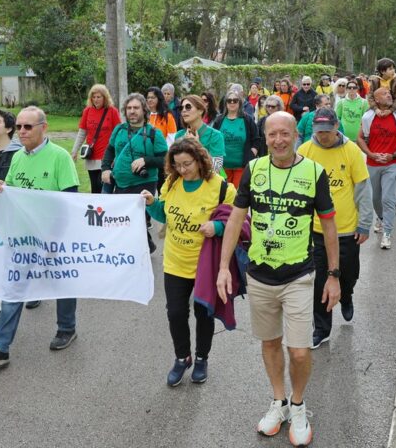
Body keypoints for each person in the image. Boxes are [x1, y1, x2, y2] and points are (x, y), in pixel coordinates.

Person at [216, 111, 339, 448]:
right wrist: (224, 267)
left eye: (285, 134)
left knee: (299, 352)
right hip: (259, 276)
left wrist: (334, 275)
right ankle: (279, 402)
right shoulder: (254, 171)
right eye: (273, 135)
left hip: (299, 275)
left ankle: (298, 406)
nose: (279, 140)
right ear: (265, 137)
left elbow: (329, 225)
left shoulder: (314, 173)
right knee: (269, 343)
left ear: (295, 135)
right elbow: (236, 218)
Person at [0, 106, 81, 367]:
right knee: (13, 289)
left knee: (61, 283)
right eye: (19, 126)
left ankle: (66, 328)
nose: (21, 131)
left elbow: (70, 199)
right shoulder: (18, 157)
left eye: (27, 127)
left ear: (44, 128)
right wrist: (1, 187)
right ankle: (0, 348)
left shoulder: (60, 157)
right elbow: (12, 192)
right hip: (21, 238)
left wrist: (57, 237)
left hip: (52, 236)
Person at [142, 138, 236, 386]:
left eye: (187, 164)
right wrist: (152, 204)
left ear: (199, 160)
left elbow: (238, 222)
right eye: (177, 165)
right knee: (175, 313)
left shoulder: (220, 187)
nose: (183, 170)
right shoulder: (172, 183)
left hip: (205, 264)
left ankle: (202, 357)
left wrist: (217, 226)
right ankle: (182, 357)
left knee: (203, 312)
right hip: (175, 260)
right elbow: (164, 214)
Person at [298, 109, 371, 347]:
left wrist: (365, 224)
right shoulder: (304, 152)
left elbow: (363, 190)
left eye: (327, 132)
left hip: (346, 229)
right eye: (319, 132)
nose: (323, 137)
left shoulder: (351, 152)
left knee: (348, 274)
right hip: (316, 230)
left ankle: (346, 295)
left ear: (336, 126)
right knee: (320, 279)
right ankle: (321, 328)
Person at [0, 109, 40, 336]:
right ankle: (15, 302)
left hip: (19, 218)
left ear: (7, 128)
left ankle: (6, 311)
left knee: (22, 261)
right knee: (9, 264)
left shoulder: (17, 153)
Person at [101, 93, 168, 252]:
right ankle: (144, 247)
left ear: (144, 110)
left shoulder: (154, 133)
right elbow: (109, 151)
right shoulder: (119, 130)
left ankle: (138, 253)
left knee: (137, 220)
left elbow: (166, 160)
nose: (132, 111)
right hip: (120, 183)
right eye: (129, 108)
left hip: (143, 183)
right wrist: (105, 169)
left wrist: (146, 160)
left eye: (136, 108)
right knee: (121, 220)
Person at [357, 88, 396, 250]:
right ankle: (380, 218)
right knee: (375, 198)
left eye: (389, 93)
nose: (388, 95)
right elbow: (359, 138)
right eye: (384, 94)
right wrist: (371, 154)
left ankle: (387, 232)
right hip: (373, 163)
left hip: (392, 163)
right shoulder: (368, 117)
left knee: (388, 199)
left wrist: (393, 155)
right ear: (376, 99)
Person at [71, 84, 121, 193]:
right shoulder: (87, 111)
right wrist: (74, 151)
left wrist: (117, 154)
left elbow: (119, 133)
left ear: (105, 98)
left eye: (99, 97)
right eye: (94, 97)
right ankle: (96, 209)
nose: (96, 100)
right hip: (92, 156)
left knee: (105, 187)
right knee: (95, 188)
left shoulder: (112, 111)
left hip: (107, 157)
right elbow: (82, 133)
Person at [212, 90, 257, 187]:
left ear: (239, 103)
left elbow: (256, 138)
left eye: (235, 100)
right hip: (222, 167)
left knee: (237, 193)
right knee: (223, 191)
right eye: (229, 100)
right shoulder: (219, 120)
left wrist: (253, 152)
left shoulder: (247, 119)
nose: (232, 102)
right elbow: (213, 139)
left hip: (241, 166)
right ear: (225, 103)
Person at [174, 95, 226, 174]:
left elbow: (217, 168)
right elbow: (175, 167)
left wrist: (198, 146)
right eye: (181, 108)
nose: (184, 110)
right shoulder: (179, 135)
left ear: (200, 110)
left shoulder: (215, 135)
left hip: (209, 183)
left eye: (188, 107)